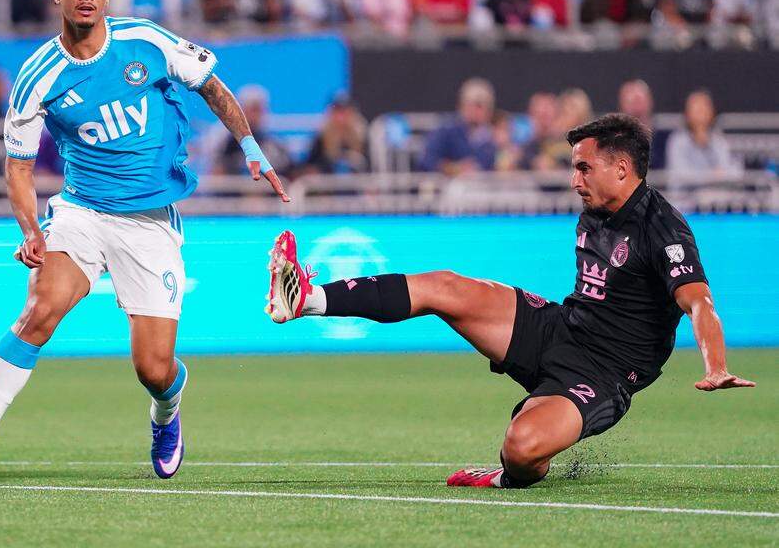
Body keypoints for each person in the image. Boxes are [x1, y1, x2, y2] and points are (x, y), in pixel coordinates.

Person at [0, 0, 290, 487]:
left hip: (149, 223)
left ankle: (167, 413)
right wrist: (32, 232)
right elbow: (18, 166)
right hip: (81, 213)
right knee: (39, 310)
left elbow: (213, 87)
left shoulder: (146, 40)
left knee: (154, 369)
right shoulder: (37, 75)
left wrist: (251, 148)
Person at [268, 113, 753, 489]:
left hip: (605, 374)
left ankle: (505, 475)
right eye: (573, 168)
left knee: (521, 448)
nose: (574, 179)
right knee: (446, 286)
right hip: (562, 329)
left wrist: (716, 365)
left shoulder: (663, 228)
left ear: (622, 169)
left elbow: (699, 303)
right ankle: (306, 298)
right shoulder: (597, 209)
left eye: (584, 167)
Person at [420, 78, 497, 175]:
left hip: (483, 188)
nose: (476, 111)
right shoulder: (446, 132)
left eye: (481, 106)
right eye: (473, 105)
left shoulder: (493, 137)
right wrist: (452, 168)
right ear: (462, 105)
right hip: (449, 187)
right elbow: (427, 160)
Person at [666, 90, 738, 177]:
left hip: (717, 188)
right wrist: (711, 175)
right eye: (696, 108)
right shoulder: (677, 141)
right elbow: (681, 175)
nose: (701, 112)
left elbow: (731, 170)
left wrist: (721, 175)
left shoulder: (719, 141)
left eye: (704, 107)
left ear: (712, 113)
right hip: (688, 190)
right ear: (687, 113)